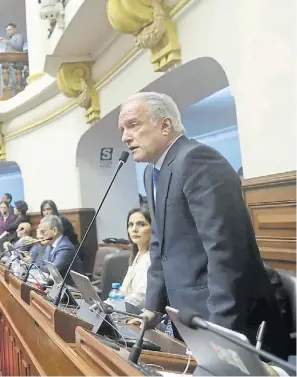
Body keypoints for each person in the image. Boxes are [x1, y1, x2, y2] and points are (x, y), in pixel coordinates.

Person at [119, 92, 290, 357]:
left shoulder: (197, 160)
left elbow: (227, 253)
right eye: (123, 129)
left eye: (133, 125)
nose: (125, 137)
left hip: (227, 321)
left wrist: (221, 332)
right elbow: (159, 246)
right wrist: (152, 308)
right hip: (189, 321)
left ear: (165, 126)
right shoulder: (152, 173)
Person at [120, 208, 152, 308]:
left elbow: (141, 297)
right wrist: (104, 304)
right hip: (127, 311)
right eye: (130, 225)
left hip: (143, 317)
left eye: (141, 224)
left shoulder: (153, 258)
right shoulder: (136, 255)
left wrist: (114, 306)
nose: (134, 229)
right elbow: (123, 291)